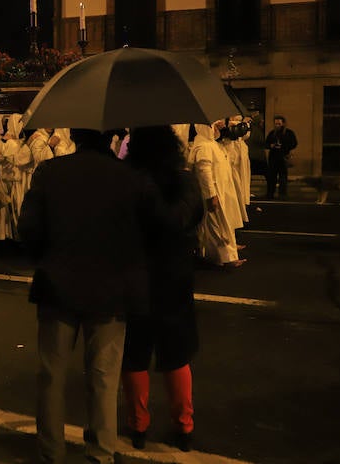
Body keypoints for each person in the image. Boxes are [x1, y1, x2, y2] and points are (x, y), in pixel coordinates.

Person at [18, 128, 162, 464]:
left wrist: (50, 255)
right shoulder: (130, 178)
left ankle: (51, 452)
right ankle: (100, 452)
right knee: (103, 378)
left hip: (58, 286)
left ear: (76, 135)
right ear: (111, 136)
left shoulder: (51, 172)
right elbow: (150, 232)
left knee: (52, 376)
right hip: (112, 290)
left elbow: (29, 229)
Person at [121, 126, 204, 452]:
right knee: (175, 353)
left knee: (135, 353)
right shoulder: (183, 180)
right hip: (173, 276)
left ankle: (138, 425)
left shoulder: (128, 182)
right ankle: (184, 426)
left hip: (136, 275)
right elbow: (189, 218)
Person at [190, 121, 245, 268]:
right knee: (216, 227)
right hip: (214, 193)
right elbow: (205, 173)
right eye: (214, 126)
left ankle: (223, 256)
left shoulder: (212, 144)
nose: (217, 129)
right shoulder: (204, 147)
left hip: (221, 192)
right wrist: (211, 195)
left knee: (220, 225)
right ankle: (224, 258)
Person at [264, 115, 297, 199]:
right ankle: (270, 193)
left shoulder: (289, 133)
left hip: (283, 157)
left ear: (283, 124)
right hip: (273, 158)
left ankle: (282, 194)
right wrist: (271, 146)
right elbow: (266, 144)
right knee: (272, 177)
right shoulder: (272, 133)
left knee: (283, 177)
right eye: (276, 124)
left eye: (279, 123)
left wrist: (284, 147)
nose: (277, 125)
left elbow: (294, 143)